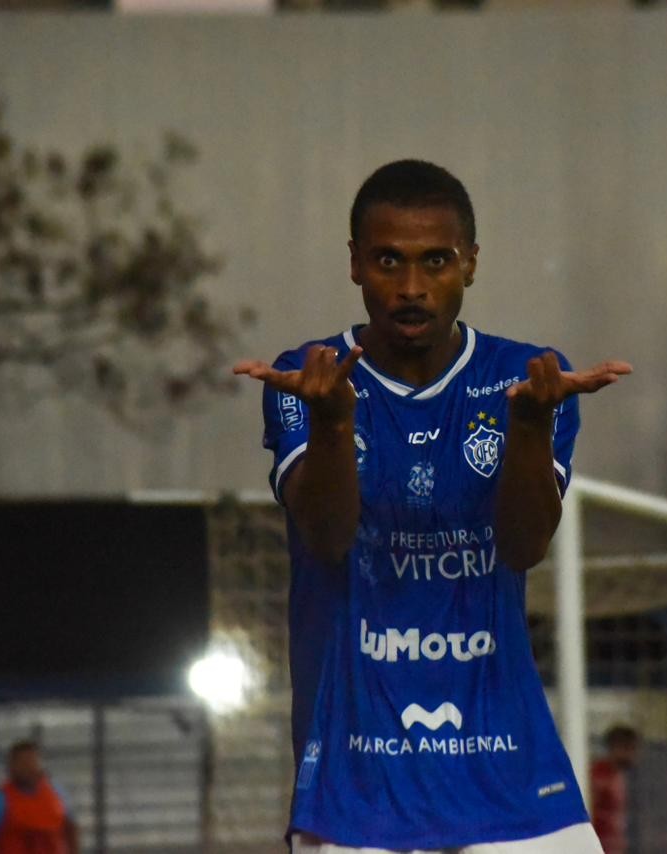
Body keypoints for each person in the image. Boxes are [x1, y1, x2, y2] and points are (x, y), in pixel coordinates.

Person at [235, 159, 632, 854]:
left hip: (507, 770)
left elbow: (523, 547)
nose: (412, 287)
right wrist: (331, 423)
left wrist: (533, 431)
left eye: (436, 261)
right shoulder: (311, 375)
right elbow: (327, 538)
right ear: (355, 263)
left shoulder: (522, 378)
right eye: (389, 260)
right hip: (357, 788)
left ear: (471, 263)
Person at [0, 740, 80, 854]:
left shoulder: (58, 794)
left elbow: (71, 830)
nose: (28, 767)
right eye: (23, 763)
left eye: (32, 762)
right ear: (11, 767)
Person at [590, 725, 642, 854]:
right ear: (616, 747)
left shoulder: (618, 776)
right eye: (630, 748)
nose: (634, 755)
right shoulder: (597, 775)